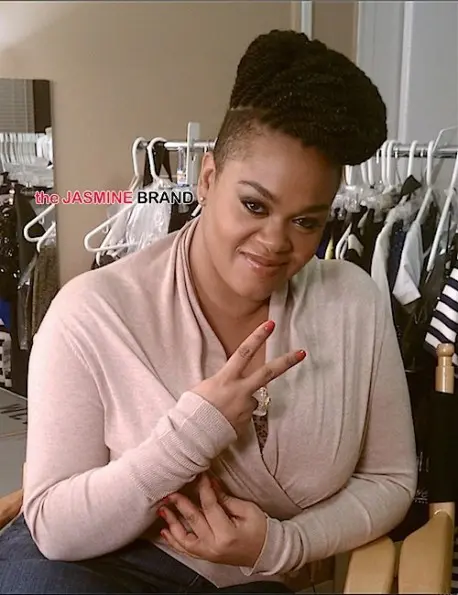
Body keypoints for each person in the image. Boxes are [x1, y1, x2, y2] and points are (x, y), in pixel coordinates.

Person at [0, 29, 417, 594]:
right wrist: (192, 435)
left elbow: (391, 479)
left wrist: (282, 544)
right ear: (208, 177)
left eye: (306, 221)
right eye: (254, 205)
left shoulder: (353, 305)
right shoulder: (93, 313)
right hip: (81, 569)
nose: (275, 241)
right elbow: (55, 530)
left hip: (252, 581)